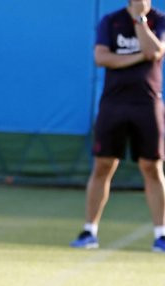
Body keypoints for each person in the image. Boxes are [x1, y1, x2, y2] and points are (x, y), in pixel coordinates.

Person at [71, 0, 165, 251]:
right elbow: (101, 58)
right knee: (103, 165)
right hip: (113, 105)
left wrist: (139, 20)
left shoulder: (159, 19)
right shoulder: (110, 21)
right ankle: (89, 231)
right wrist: (137, 57)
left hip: (147, 105)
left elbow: (154, 51)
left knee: (152, 167)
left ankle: (161, 234)